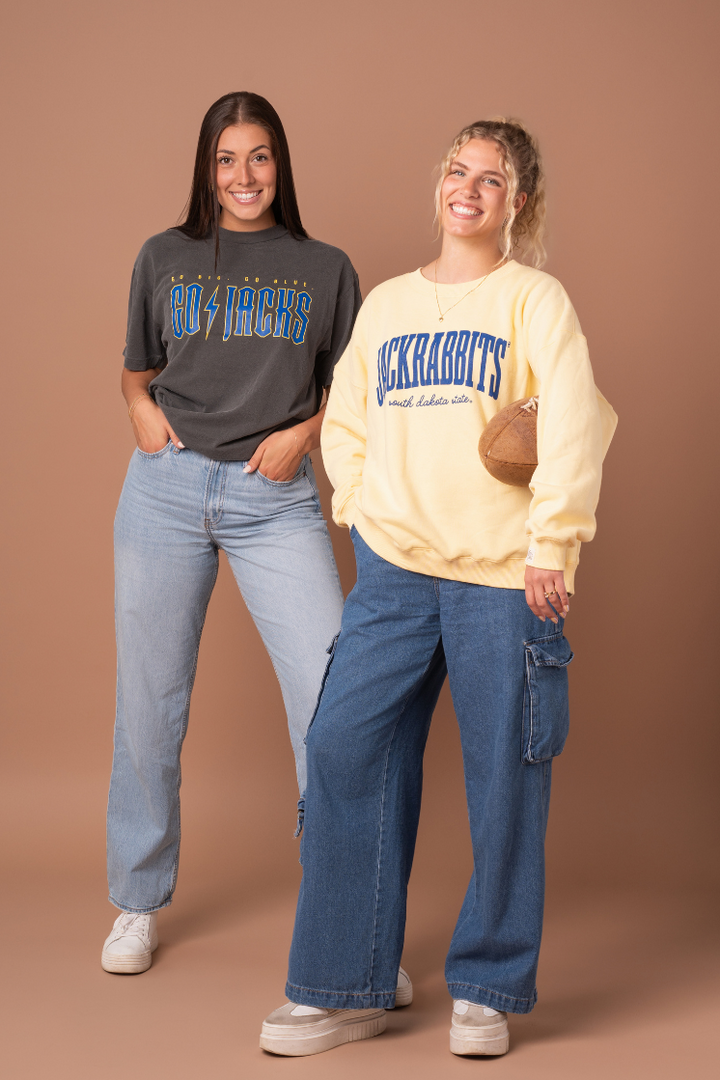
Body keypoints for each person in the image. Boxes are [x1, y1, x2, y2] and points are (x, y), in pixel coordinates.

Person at [260, 118, 617, 1057]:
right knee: (344, 750)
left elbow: (575, 423)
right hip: (395, 576)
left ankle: (489, 988)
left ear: (517, 201)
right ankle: (347, 983)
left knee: (505, 778)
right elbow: (347, 422)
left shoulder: (535, 299)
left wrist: (554, 545)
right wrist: (365, 515)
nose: (469, 187)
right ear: (441, 183)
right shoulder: (386, 305)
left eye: (491, 178)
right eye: (458, 170)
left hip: (505, 579)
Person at [101, 91, 360, 975]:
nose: (242, 176)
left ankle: (345, 923)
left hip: (273, 497)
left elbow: (354, 396)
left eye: (258, 157)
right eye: (225, 159)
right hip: (165, 490)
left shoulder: (325, 268)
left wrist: (305, 432)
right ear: (205, 169)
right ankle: (135, 902)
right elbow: (136, 374)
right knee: (149, 704)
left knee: (333, 703)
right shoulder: (162, 256)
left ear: (280, 165)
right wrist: (140, 410)